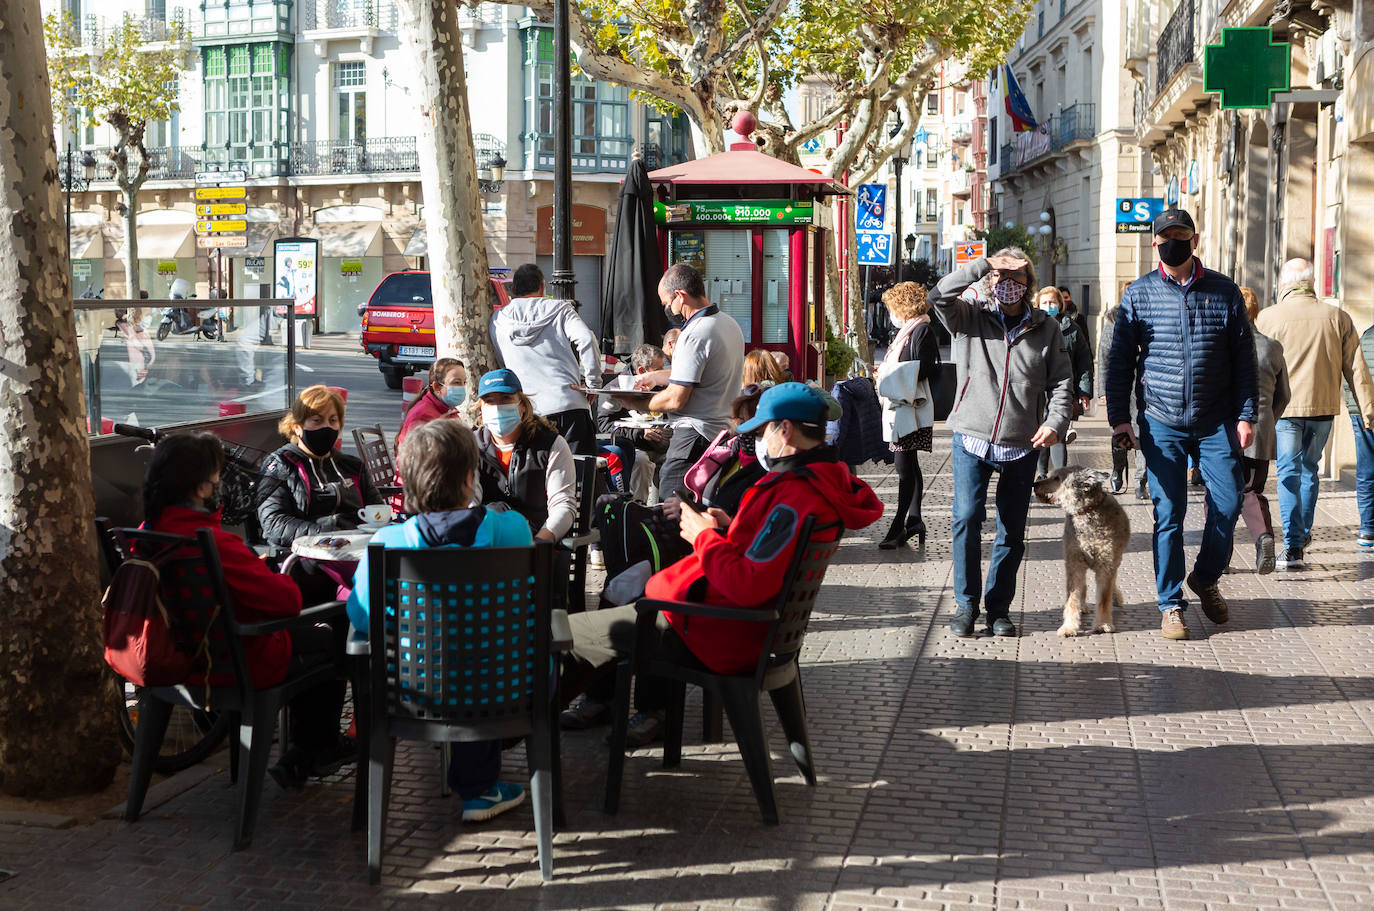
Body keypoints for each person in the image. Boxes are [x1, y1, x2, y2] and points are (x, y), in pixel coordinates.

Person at [560, 383, 883, 745]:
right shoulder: (820, 483)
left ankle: (513, 732)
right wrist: (728, 527)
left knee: (567, 638)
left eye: (761, 431)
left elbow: (748, 584)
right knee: (595, 623)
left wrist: (703, 535)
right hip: (724, 623)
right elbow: (766, 553)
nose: (757, 440)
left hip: (719, 632)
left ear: (785, 430)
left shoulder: (794, 495)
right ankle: (553, 716)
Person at [346, 420, 532, 821]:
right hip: (508, 690)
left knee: (449, 660)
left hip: (411, 694)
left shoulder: (386, 545)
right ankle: (481, 786)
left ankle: (478, 784)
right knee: (482, 658)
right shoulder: (512, 530)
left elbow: (361, 616)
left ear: (408, 483)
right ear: (470, 477)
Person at [142, 432, 351, 790]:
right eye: (215, 478)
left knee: (313, 635)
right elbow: (286, 602)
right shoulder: (214, 544)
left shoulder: (145, 534)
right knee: (331, 635)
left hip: (171, 654)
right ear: (201, 487)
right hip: (234, 661)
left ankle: (308, 750)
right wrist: (263, 571)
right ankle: (316, 747)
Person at [1105, 207, 1257, 640]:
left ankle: (1205, 577)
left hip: (1216, 420)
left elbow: (1244, 361)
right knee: (1169, 513)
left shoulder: (1224, 291)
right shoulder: (1139, 293)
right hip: (1161, 421)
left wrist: (1246, 414)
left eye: (1181, 234)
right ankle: (1171, 604)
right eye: (1166, 235)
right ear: (1154, 243)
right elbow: (1119, 364)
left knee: (1227, 506)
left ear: (1195, 239)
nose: (1174, 241)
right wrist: (1119, 420)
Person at [929, 249, 1073, 638]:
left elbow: (1061, 382)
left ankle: (998, 609)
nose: (1006, 286)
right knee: (966, 519)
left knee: (1012, 531)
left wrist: (1055, 422)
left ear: (1026, 286)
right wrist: (983, 265)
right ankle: (965, 605)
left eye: (1014, 279)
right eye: (999, 278)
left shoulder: (1047, 328)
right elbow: (937, 296)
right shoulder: (969, 317)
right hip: (971, 438)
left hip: (1021, 443)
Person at [1255, 258, 1374, 569]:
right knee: (1310, 470)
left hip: (1286, 410)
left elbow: (1254, 366)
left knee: (1288, 473)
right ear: (1311, 282)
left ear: (1284, 283)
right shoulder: (1337, 317)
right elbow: (1357, 369)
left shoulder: (1268, 318)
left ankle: (1294, 545)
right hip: (1323, 408)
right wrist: (1368, 410)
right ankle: (1302, 533)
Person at [623, 263, 745, 498]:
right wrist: (655, 376)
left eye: (666, 303)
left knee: (672, 510)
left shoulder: (695, 332)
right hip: (721, 433)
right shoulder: (728, 324)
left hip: (693, 435)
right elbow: (703, 373)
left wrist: (636, 403)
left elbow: (678, 397)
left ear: (680, 296)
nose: (667, 309)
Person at [489, 263, 603, 457]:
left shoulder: (498, 319)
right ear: (542, 287)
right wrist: (593, 383)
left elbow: (503, 365)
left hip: (530, 411)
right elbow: (586, 338)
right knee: (580, 476)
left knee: (539, 479)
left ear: (514, 289)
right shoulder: (560, 309)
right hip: (570, 405)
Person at [257, 384, 382, 548]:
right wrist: (326, 535)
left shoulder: (353, 466)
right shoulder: (281, 465)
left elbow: (377, 512)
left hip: (358, 550)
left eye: (333, 420)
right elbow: (273, 523)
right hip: (307, 555)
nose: (326, 427)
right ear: (297, 427)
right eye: (317, 420)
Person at [473, 368, 577, 543]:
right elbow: (468, 501)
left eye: (506, 399)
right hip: (485, 543)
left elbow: (563, 505)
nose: (497, 407)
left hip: (536, 542)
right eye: (489, 401)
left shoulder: (551, 444)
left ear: (522, 406)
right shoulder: (470, 446)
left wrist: (540, 542)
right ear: (481, 408)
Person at [875, 281, 938, 549]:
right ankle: (914, 520)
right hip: (903, 408)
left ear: (903, 307)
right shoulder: (909, 331)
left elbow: (923, 369)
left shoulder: (921, 330)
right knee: (909, 465)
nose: (890, 315)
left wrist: (887, 374)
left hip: (911, 410)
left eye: (892, 309)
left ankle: (898, 526)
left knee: (904, 468)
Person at [1238, 286, 1290, 575]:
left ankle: (1219, 557)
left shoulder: (1223, 346)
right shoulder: (1272, 346)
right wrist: (1268, 420)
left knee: (1218, 496)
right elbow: (1284, 395)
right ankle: (1264, 537)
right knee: (1252, 490)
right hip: (1261, 432)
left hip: (1225, 433)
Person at [597, 345, 670, 501]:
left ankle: (665, 511)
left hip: (661, 444)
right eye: (659, 369)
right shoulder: (615, 389)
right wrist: (640, 433)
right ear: (642, 371)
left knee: (677, 459)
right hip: (634, 446)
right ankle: (637, 508)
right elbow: (605, 425)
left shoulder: (662, 387)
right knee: (642, 461)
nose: (663, 372)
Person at [1035, 286, 1092, 479]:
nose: (1049, 306)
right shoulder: (1032, 327)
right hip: (1036, 390)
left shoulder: (1071, 329)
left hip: (1062, 388)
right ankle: (1042, 474)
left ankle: (1060, 475)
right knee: (1040, 430)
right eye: (1045, 303)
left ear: (1060, 304)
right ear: (1037, 305)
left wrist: (1084, 391)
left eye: (1052, 302)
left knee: (1057, 430)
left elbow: (1084, 361)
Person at [1097, 303, 1147, 497]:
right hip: (1120, 387)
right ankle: (1118, 470)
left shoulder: (1149, 320)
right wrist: (1103, 391)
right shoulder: (1113, 321)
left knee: (1142, 434)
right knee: (1120, 433)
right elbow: (1104, 359)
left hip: (1144, 387)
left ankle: (1140, 481)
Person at [1344, 319, 1374, 548]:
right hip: (1364, 410)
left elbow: (1351, 371)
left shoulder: (1365, 336)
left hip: (1361, 411)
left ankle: (1367, 530)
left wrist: (1354, 407)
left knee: (1365, 471)